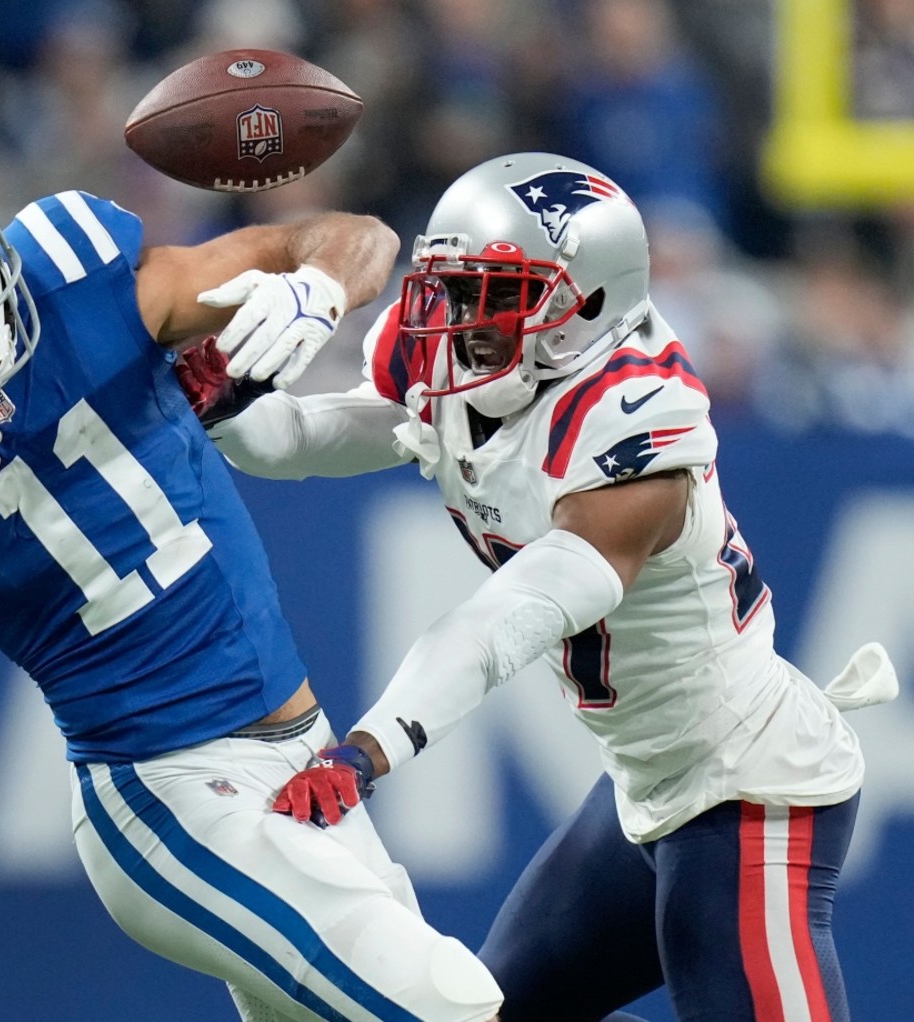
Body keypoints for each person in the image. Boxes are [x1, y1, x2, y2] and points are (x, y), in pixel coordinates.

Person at [0, 153, 505, 1022]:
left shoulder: (81, 280)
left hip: (305, 757)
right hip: (165, 791)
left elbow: (353, 237)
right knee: (449, 1005)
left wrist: (314, 288)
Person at [180, 151, 899, 1022]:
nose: (459, 318)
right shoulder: (470, 365)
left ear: (587, 302)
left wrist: (368, 750)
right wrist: (230, 409)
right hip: (640, 784)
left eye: (496, 293)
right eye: (453, 286)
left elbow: (504, 619)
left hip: (751, 787)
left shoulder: (636, 423)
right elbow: (313, 437)